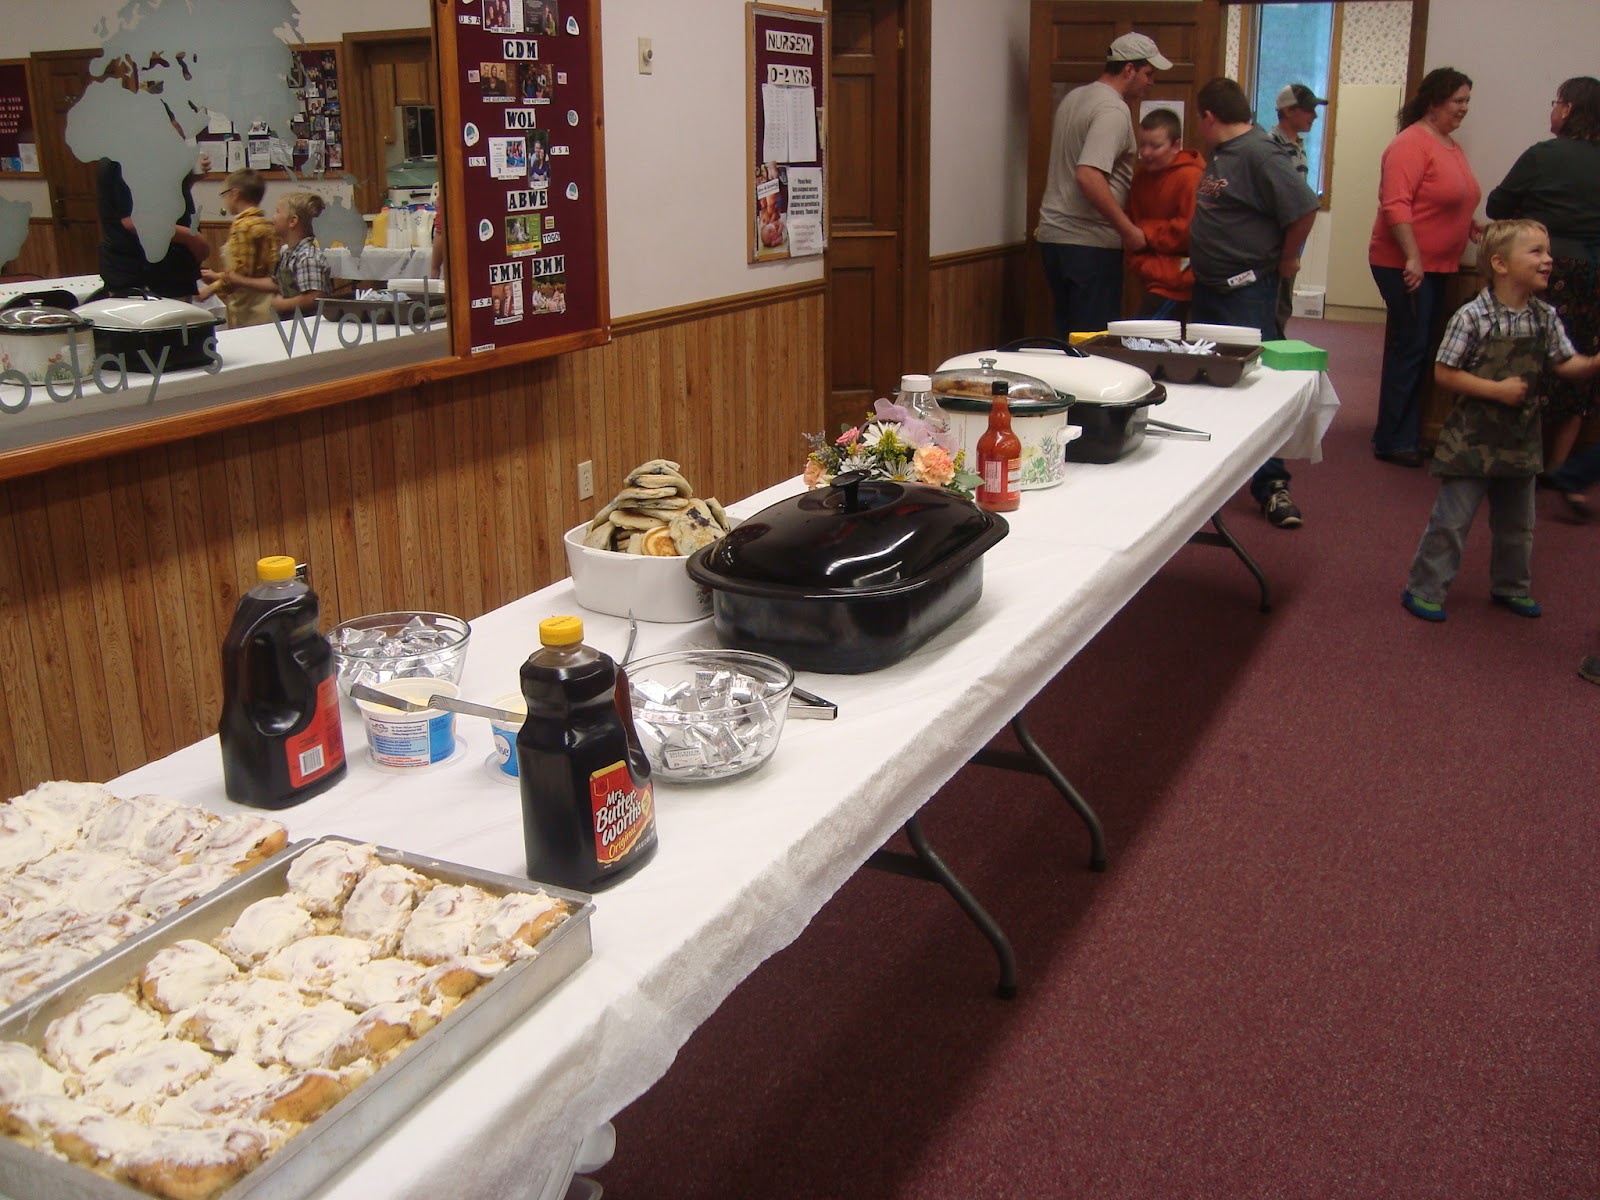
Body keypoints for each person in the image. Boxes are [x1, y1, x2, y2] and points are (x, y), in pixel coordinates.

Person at [1399, 219, 1600, 623]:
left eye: (1547, 251)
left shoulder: (1544, 316)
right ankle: (1423, 588)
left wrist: (1594, 363)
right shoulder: (1472, 316)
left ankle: (1511, 586)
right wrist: (1497, 390)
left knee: (1518, 525)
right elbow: (1444, 373)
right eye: (1536, 252)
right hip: (1472, 440)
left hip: (1521, 441)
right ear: (1500, 264)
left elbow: (1567, 364)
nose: (1548, 260)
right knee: (1451, 522)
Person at [1188, 77, 1319, 529]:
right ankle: (1207, 483)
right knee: (1205, 384)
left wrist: (1287, 259)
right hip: (1210, 290)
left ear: (1208, 116)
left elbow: (1304, 207)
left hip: (1246, 293)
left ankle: (1273, 486)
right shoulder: (1224, 154)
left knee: (1255, 387)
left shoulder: (1261, 152)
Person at [1485, 76, 1600, 490]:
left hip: (1541, 269)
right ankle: (1559, 468)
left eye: (1556, 103)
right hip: (1593, 276)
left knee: (1528, 358)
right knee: (1579, 361)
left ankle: (1520, 460)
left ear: (1567, 109)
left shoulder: (1542, 156)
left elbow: (1497, 204)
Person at [1369, 68, 1483, 468]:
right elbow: (1396, 204)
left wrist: (1471, 225)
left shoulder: (1447, 144)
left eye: (1467, 101)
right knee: (1412, 346)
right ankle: (1392, 439)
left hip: (1440, 265)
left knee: (1423, 347)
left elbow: (1453, 197)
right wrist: (1413, 256)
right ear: (1434, 103)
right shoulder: (1409, 144)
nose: (1465, 109)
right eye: (1458, 101)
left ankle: (1408, 432)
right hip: (1403, 263)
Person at [1034, 32, 1170, 339]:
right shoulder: (1113, 110)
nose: (1151, 82)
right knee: (1092, 345)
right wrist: (1128, 230)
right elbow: (1088, 175)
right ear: (1128, 70)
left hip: (1055, 239)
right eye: (1148, 74)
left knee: (1069, 339)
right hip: (1089, 244)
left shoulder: (1075, 98)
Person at [1125, 107, 1204, 320]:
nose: (1146, 153)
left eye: (1156, 146)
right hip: (1151, 277)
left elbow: (1187, 232)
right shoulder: (1140, 178)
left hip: (1180, 285)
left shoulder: (1190, 177)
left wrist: (1146, 232)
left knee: (1141, 343)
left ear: (1176, 145)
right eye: (1142, 145)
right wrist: (1144, 263)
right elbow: (1131, 234)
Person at [96, 157, 210, 299]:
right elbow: (133, 221)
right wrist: (193, 239)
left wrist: (188, 180)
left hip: (171, 272)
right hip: (146, 275)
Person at [1269, 83, 1328, 339]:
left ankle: (1278, 340)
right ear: (1289, 110)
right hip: (1276, 238)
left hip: (1294, 236)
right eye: (1309, 110)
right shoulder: (1271, 146)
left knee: (1284, 302)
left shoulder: (1299, 145)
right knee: (1272, 302)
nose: (1314, 116)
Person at [197, 170, 276, 328]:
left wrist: (210, 289)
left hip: (251, 307)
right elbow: (257, 270)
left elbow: (242, 272)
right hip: (267, 301)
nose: (224, 200)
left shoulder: (242, 226)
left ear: (235, 194)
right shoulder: (266, 224)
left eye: (224, 194)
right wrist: (217, 275)